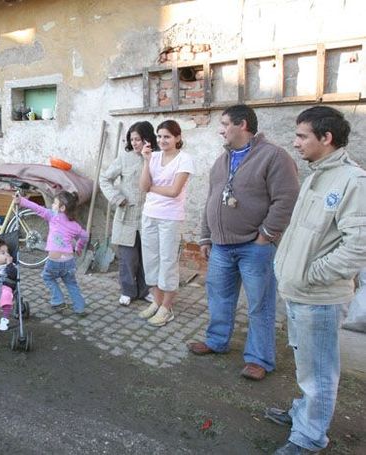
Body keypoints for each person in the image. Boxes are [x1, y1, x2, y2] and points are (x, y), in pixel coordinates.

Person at [269, 106, 366, 455]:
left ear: (326, 138)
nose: (295, 143)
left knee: (320, 373)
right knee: (306, 365)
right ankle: (303, 414)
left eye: (301, 136)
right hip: (299, 292)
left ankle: (309, 438)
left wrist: (312, 275)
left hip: (319, 296)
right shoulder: (315, 176)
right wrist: (288, 270)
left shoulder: (353, 182)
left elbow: (359, 246)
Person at [188, 104, 299, 381]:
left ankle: (259, 359)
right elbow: (211, 201)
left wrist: (266, 236)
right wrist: (205, 235)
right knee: (218, 297)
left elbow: (286, 199)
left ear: (243, 125)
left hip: (255, 246)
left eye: (225, 123)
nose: (220, 129)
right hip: (221, 247)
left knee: (260, 304)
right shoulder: (221, 160)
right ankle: (216, 341)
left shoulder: (274, 156)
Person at [137, 120, 195, 327]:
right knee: (151, 260)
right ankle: (156, 302)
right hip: (150, 214)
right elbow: (143, 186)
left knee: (168, 261)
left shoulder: (184, 160)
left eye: (167, 136)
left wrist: (152, 187)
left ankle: (167, 308)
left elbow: (174, 191)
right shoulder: (152, 157)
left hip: (170, 217)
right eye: (159, 136)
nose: (162, 140)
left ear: (177, 138)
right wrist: (145, 161)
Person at [99, 121, 155, 306]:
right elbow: (104, 179)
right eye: (132, 140)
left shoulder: (156, 157)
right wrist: (117, 197)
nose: (135, 143)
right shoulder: (124, 158)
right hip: (127, 215)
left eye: (138, 139)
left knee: (147, 257)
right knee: (128, 258)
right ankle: (128, 290)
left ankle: (145, 290)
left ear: (147, 138)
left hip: (149, 215)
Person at [15, 191, 89, 316]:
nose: (52, 205)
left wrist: (22, 201)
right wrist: (79, 247)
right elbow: (85, 236)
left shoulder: (53, 216)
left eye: (54, 203)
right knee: (71, 283)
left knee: (47, 277)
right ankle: (80, 308)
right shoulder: (75, 225)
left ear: (62, 208)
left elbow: (37, 208)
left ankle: (58, 300)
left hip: (54, 260)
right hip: (69, 261)